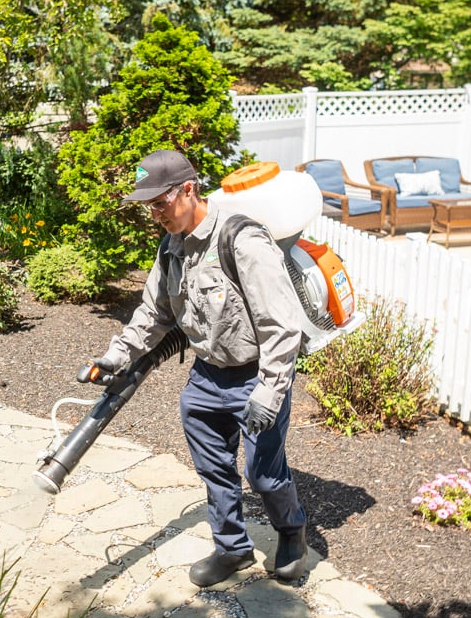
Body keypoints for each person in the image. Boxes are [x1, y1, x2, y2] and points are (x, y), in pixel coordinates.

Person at [82, 149, 310, 587]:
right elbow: (154, 313)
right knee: (213, 467)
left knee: (261, 474)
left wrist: (269, 390)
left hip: (257, 374)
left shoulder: (241, 240)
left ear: (189, 189)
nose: (156, 214)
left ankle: (290, 530)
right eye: (150, 206)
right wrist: (116, 355)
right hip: (208, 376)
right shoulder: (171, 249)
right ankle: (233, 548)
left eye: (160, 202)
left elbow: (282, 325)